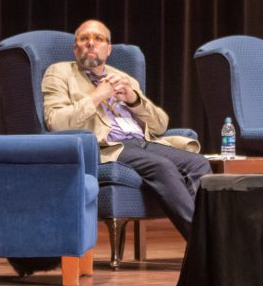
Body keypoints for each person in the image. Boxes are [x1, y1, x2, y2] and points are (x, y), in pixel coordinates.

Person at [42, 19, 210, 238]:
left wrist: (133, 99)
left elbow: (160, 124)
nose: (91, 43)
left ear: (108, 49)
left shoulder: (123, 77)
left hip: (144, 142)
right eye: (84, 39)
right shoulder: (60, 72)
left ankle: (209, 237)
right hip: (109, 146)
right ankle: (202, 244)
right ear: (76, 48)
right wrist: (96, 96)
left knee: (199, 163)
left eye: (98, 39)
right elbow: (55, 122)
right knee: (162, 167)